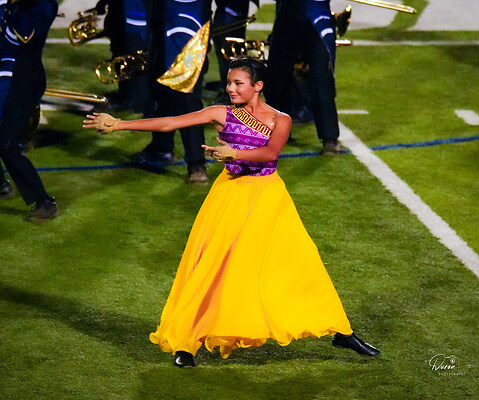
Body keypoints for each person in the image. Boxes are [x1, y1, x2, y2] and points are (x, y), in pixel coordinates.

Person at [83, 57, 380, 368]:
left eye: (238, 83)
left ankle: (340, 331)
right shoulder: (221, 114)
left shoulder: (281, 120)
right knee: (210, 269)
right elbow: (171, 122)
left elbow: (270, 153)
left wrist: (233, 152)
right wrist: (119, 124)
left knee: (300, 264)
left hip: (269, 197)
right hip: (230, 195)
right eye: (228, 83)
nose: (230, 88)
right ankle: (186, 343)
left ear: (258, 86)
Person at [128, 0, 211, 184]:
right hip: (166, 15)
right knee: (161, 85)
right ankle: (162, 147)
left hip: (188, 14)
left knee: (187, 92)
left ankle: (196, 164)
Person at [0, 0, 59, 222]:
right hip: (8, 75)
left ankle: (44, 202)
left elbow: (23, 34)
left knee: (7, 144)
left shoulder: (42, 6)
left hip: (22, 80)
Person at [265, 0, 342, 155]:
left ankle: (329, 137)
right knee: (275, 79)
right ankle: (279, 129)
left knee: (322, 79)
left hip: (318, 18)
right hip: (287, 18)